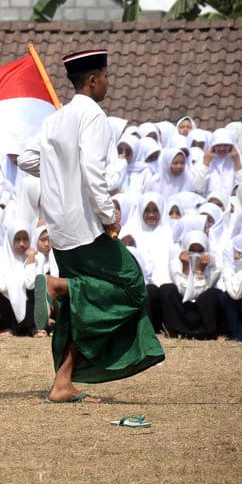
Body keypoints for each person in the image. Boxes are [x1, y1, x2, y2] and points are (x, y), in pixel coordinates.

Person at [18, 49, 164, 404]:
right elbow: (93, 174)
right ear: (93, 80)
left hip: (60, 228)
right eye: (107, 77)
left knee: (79, 301)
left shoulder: (56, 119)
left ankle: (62, 383)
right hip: (86, 225)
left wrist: (58, 170)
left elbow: (25, 159)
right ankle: (54, 286)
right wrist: (109, 215)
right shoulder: (94, 116)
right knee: (131, 288)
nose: (108, 84)